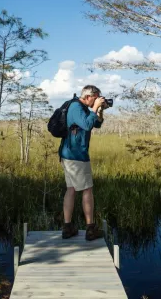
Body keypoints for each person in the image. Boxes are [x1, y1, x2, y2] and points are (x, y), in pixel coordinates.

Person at [59, 85, 105, 241]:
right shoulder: (76, 107)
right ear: (88, 96)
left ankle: (68, 228)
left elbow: (95, 124)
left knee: (71, 189)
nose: (98, 99)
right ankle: (90, 229)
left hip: (70, 154)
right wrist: (95, 108)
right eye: (97, 97)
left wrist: (99, 110)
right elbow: (86, 125)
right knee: (87, 190)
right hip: (76, 155)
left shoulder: (83, 108)